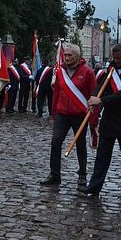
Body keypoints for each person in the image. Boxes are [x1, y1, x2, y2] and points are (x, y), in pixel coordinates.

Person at [80, 43, 121, 198]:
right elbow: (101, 85)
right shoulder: (111, 69)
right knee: (102, 156)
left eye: (119, 58)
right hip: (109, 119)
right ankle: (94, 186)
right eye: (114, 58)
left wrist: (101, 101)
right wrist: (94, 96)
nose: (116, 60)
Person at [38, 43, 95, 187]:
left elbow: (93, 94)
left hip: (80, 114)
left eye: (70, 55)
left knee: (80, 144)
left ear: (77, 56)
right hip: (62, 114)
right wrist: (54, 113)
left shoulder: (87, 72)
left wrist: (93, 117)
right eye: (66, 55)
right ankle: (54, 174)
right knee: (55, 142)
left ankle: (82, 174)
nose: (67, 58)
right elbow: (56, 93)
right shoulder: (60, 72)